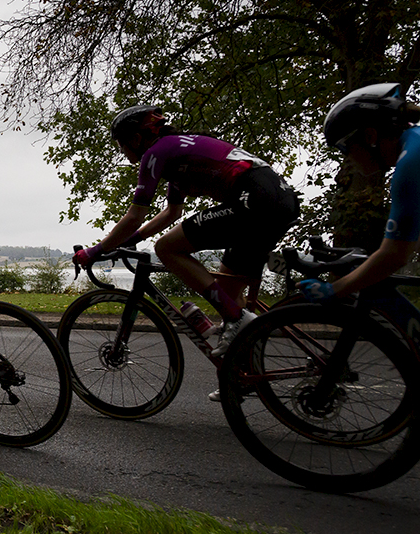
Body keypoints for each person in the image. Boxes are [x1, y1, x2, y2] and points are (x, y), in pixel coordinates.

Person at [72, 105, 300, 370]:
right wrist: (130, 239)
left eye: (121, 144)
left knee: (167, 248)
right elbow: (171, 213)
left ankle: (239, 320)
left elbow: (135, 215)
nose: (122, 151)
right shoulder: (177, 158)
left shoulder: (156, 152)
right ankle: (242, 373)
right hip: (279, 201)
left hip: (254, 199)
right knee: (226, 295)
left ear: (136, 138)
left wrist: (95, 251)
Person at [300, 83, 420, 303]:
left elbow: (394, 255)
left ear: (369, 136)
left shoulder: (411, 162)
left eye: (345, 147)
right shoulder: (415, 142)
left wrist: (333, 290)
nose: (346, 158)